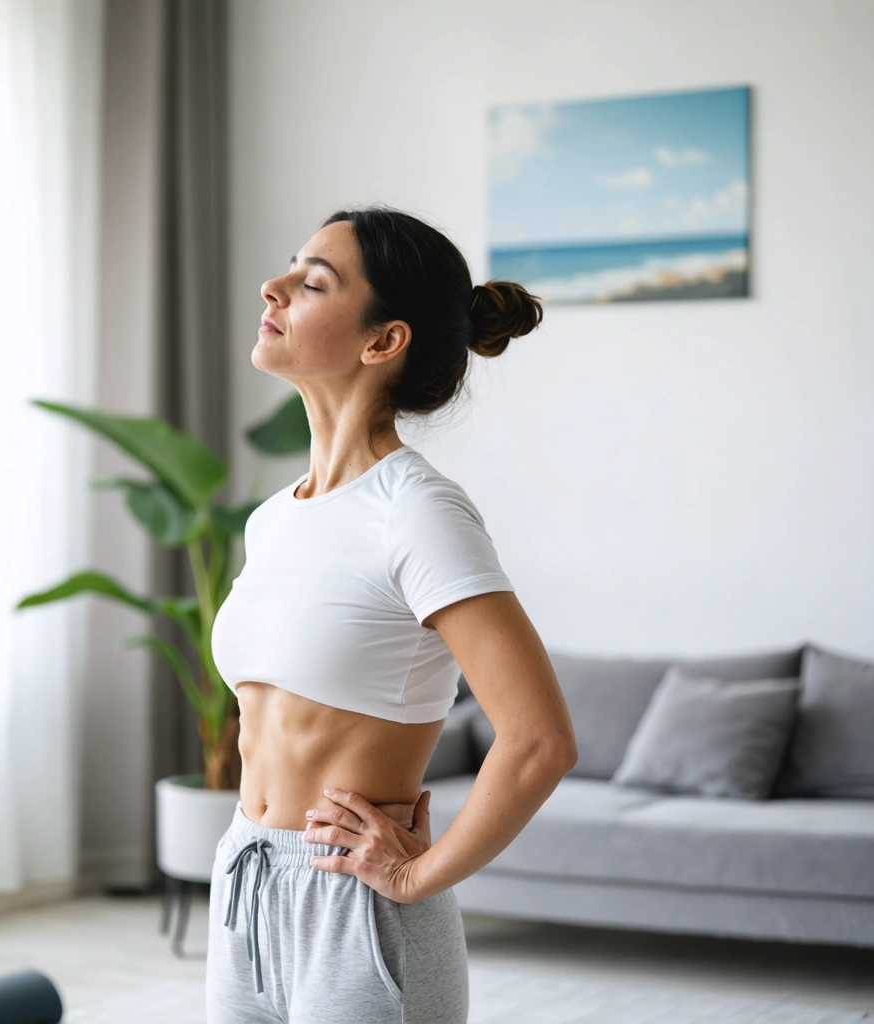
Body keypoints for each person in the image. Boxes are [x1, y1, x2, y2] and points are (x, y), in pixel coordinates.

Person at [206, 205, 578, 1023]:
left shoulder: (418, 512)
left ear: (384, 341)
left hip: (358, 906)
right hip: (245, 879)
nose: (272, 288)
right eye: (289, 270)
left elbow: (539, 739)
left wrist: (417, 875)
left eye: (313, 283)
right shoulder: (273, 519)